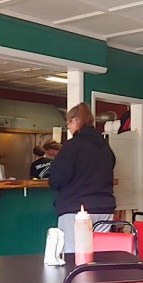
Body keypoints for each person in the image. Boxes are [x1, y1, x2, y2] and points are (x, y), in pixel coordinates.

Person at [49, 103, 116, 252]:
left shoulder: (72, 146)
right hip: (104, 209)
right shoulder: (105, 147)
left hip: (76, 209)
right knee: (100, 257)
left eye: (69, 124)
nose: (69, 128)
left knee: (74, 259)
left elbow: (56, 179)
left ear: (75, 120)